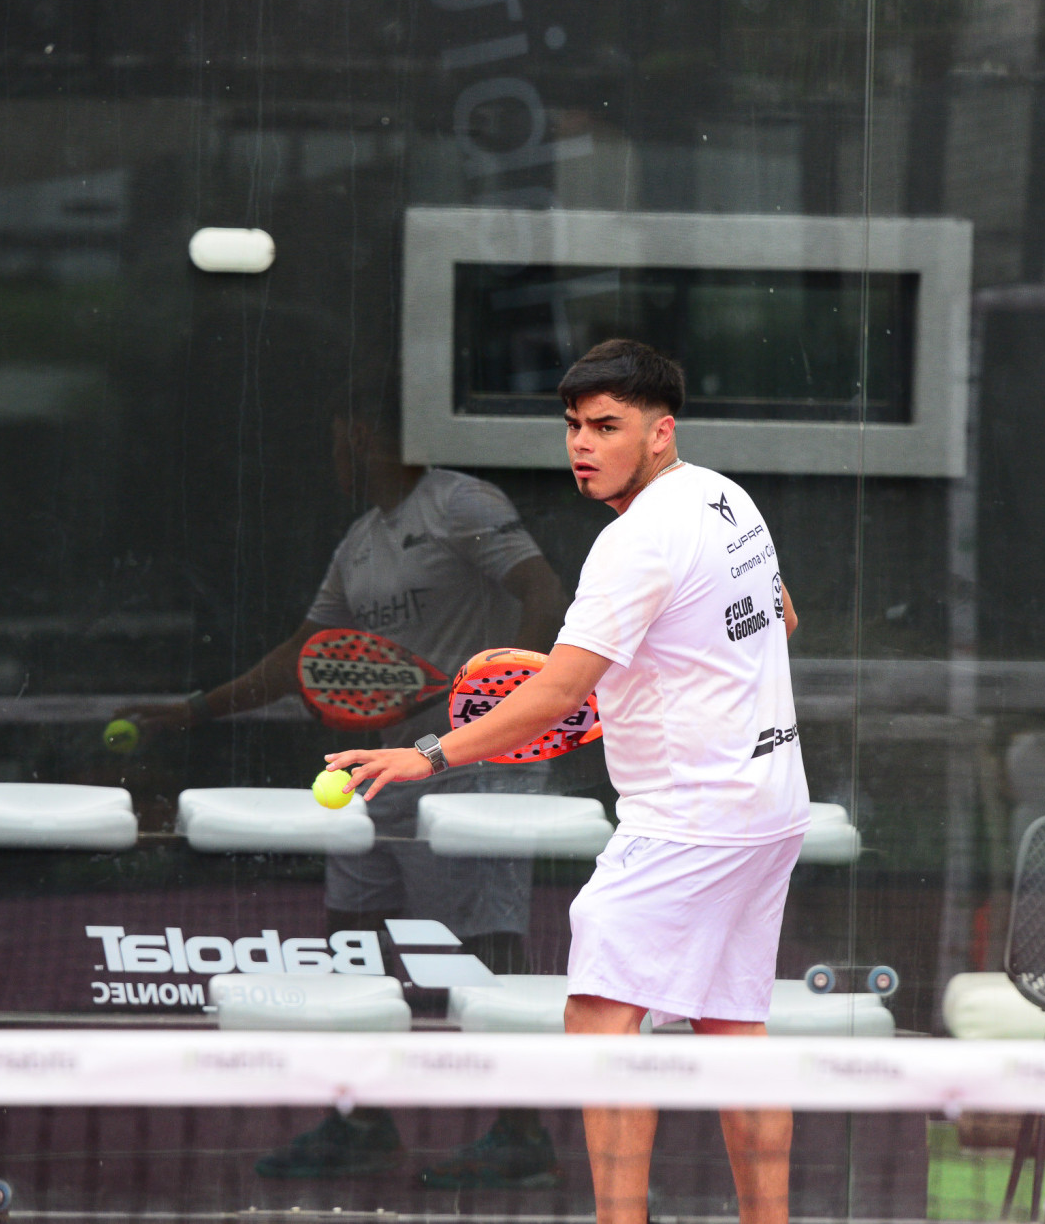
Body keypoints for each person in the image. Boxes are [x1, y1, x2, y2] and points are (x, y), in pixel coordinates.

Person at [332, 340, 809, 1224]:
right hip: (770, 809)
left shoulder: (634, 543)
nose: (583, 445)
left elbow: (556, 693)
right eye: (574, 426)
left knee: (599, 1018)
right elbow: (777, 617)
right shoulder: (728, 499)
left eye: (607, 426)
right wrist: (647, 681)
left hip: (689, 820)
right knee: (734, 1030)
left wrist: (425, 755)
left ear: (661, 432)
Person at [119, 402, 571, 1188]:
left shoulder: (460, 502)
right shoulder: (360, 542)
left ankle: (522, 1131)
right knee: (350, 934)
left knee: (483, 945)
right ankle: (361, 1119)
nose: (331, 453)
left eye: (337, 435)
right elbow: (303, 656)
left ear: (366, 435)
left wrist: (501, 700)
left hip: (477, 768)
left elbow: (544, 593)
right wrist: (193, 710)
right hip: (387, 766)